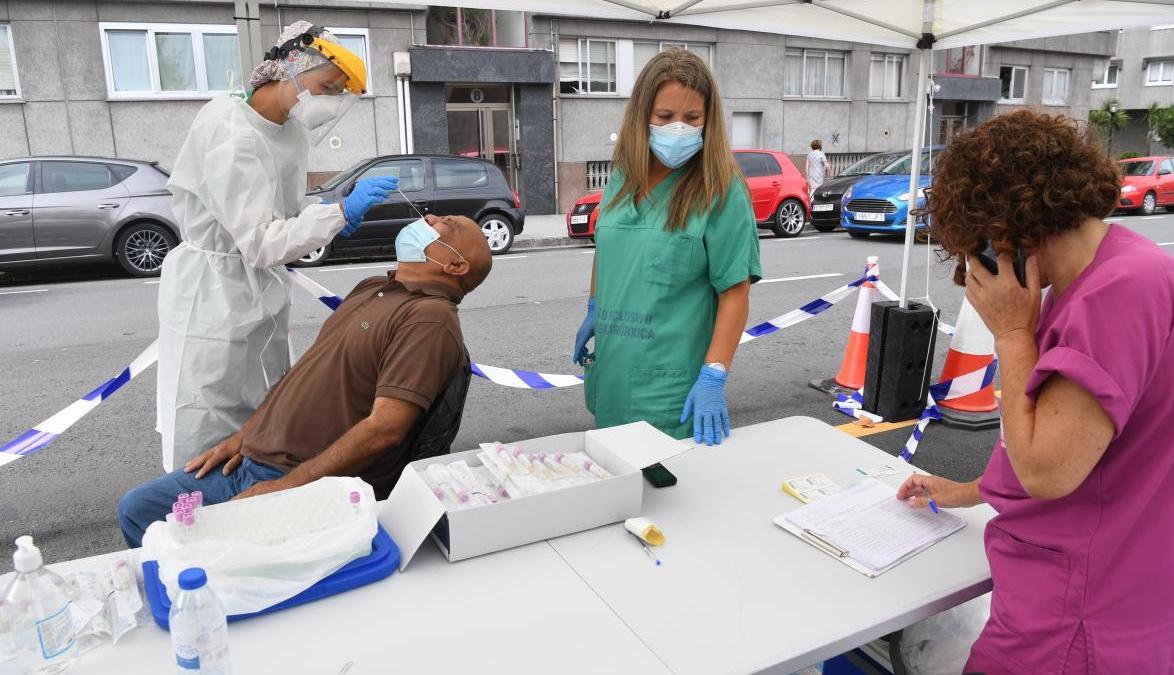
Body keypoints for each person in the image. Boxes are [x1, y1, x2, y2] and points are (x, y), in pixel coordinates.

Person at [896, 110, 1174, 673]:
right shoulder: (1121, 269)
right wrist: (965, 491)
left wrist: (1012, 334)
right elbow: (1095, 445)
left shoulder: (1112, 298)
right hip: (1129, 597)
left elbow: (1048, 471)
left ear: (997, 233)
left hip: (1080, 616)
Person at [120, 215, 493, 547]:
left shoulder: (430, 319)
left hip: (296, 480)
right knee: (139, 510)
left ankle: (212, 606)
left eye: (448, 224)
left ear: (455, 264)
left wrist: (283, 490)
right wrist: (245, 434)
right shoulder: (373, 286)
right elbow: (305, 372)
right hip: (252, 458)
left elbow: (386, 428)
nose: (427, 216)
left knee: (207, 557)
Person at [156, 21, 399, 473]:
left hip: (259, 290)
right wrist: (337, 214)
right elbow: (260, 241)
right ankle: (193, 518)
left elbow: (279, 215)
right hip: (213, 294)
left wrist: (324, 220)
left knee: (265, 410)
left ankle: (254, 504)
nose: (329, 102)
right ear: (289, 70)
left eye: (337, 94)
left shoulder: (288, 130)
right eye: (326, 87)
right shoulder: (230, 130)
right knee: (209, 417)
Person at [571, 49, 761, 446]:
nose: (679, 129)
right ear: (643, 116)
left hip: (670, 388)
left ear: (709, 119)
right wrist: (593, 306)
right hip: (612, 375)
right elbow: (605, 245)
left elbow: (735, 293)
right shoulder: (623, 175)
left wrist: (714, 375)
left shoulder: (721, 189)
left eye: (693, 119)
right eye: (665, 117)